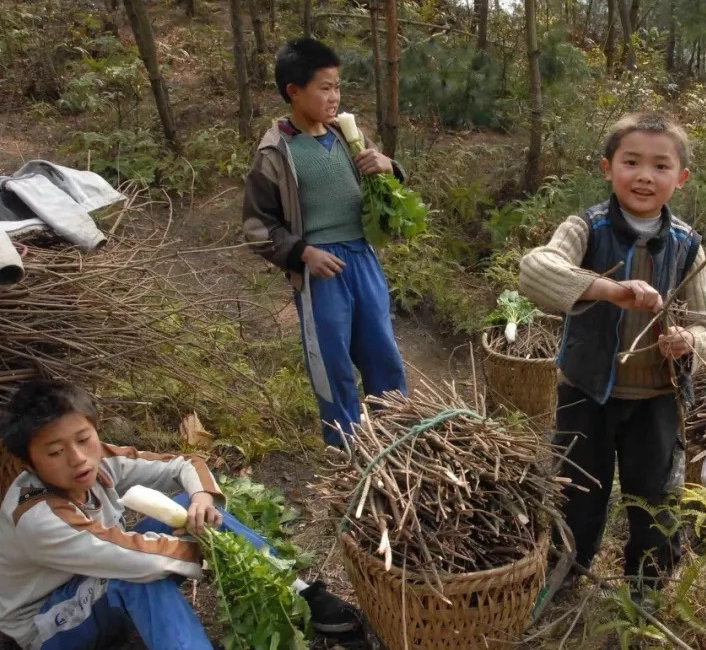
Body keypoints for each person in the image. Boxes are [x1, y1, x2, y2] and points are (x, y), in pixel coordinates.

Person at [0, 380, 362, 650]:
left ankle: (300, 594)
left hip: (96, 577)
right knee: (139, 574)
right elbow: (137, 560)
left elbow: (183, 465)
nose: (78, 458)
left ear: (95, 429)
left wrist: (202, 497)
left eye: (83, 439)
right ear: (28, 464)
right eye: (55, 452)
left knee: (193, 511)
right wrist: (215, 550)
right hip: (47, 625)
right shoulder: (37, 515)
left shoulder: (99, 462)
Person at [519, 111, 706, 593]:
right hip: (586, 391)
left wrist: (691, 341)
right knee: (578, 494)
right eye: (631, 162)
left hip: (656, 399)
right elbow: (535, 270)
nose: (645, 176)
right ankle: (567, 576)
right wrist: (607, 289)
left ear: (681, 178)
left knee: (655, 501)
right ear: (608, 167)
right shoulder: (585, 227)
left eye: (660, 166)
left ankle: (646, 591)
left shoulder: (687, 244)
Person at [242, 37, 408, 446]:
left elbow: (389, 194)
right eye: (324, 87)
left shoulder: (349, 137)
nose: (334, 97)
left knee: (382, 352)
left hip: (363, 259)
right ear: (294, 92)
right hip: (320, 269)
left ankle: (399, 440)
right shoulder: (275, 153)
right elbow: (257, 226)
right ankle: (346, 450)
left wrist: (390, 168)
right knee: (331, 364)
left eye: (337, 87)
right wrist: (303, 253)